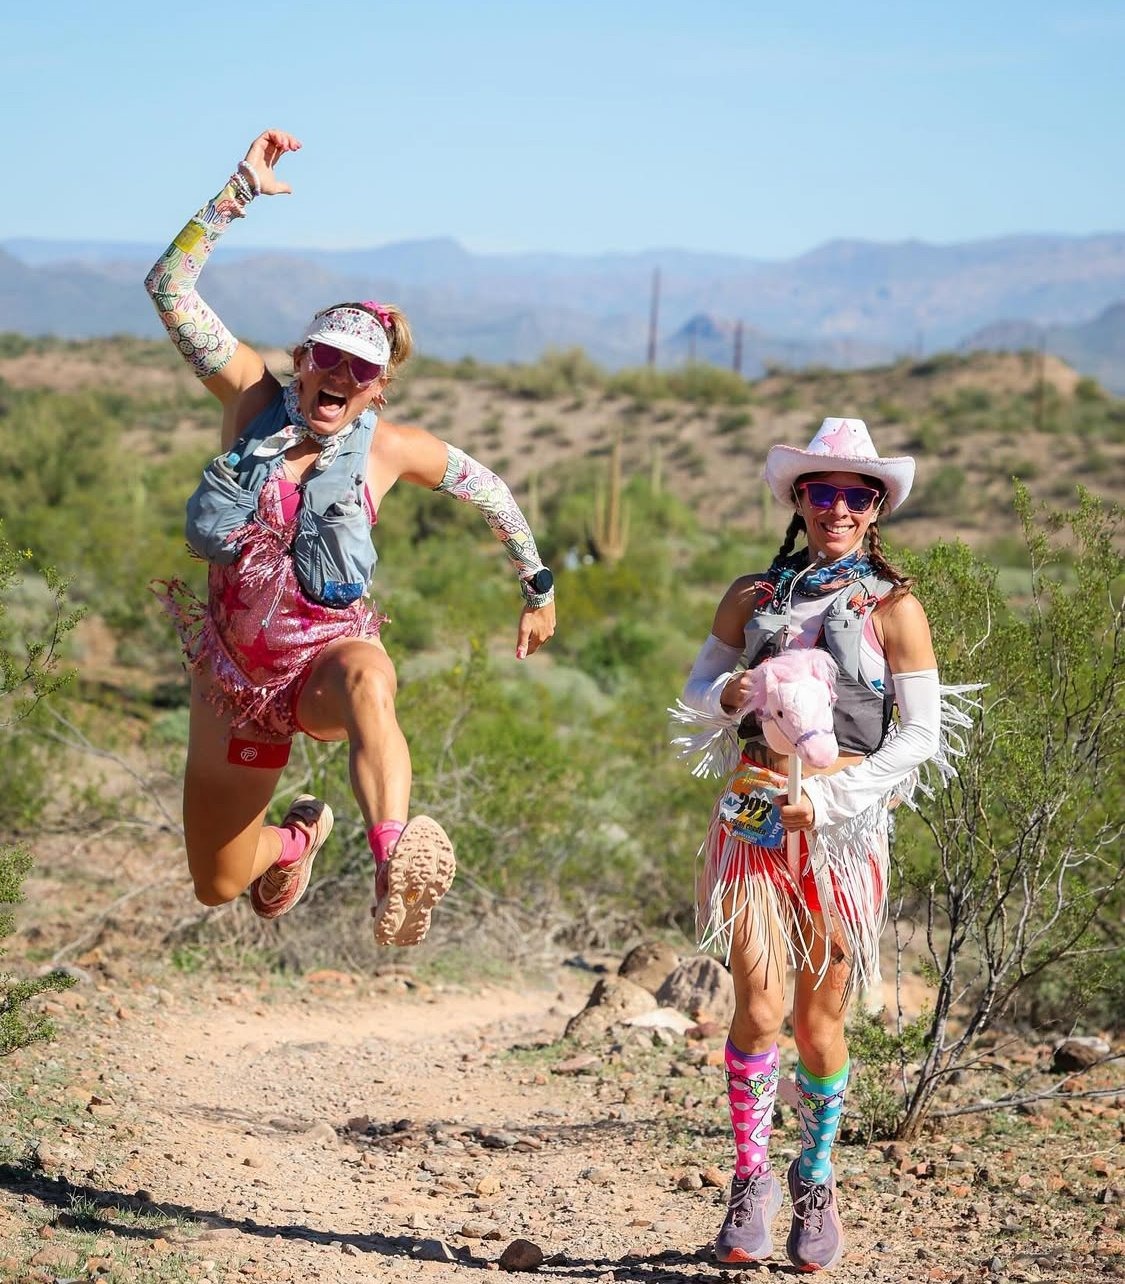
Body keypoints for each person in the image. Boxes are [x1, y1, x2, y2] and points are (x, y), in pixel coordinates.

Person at [144, 129, 556, 947]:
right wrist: (240, 191)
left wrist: (536, 586)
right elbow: (168, 287)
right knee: (217, 882)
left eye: (359, 368)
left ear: (378, 387)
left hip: (326, 662)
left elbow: (494, 492)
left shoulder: (393, 449)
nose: (338, 374)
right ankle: (298, 839)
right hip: (234, 679)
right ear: (301, 359)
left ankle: (393, 860)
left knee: (372, 676)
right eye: (324, 356)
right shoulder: (249, 398)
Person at [674, 417, 968, 1271]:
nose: (836, 507)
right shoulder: (752, 598)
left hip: (842, 837)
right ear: (796, 501)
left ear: (876, 508)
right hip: (753, 820)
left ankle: (815, 1177)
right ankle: (749, 1178)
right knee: (758, 1008)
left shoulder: (894, 607)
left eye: (855, 494)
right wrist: (732, 694)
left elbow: (920, 734)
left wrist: (836, 795)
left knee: (816, 1021)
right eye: (820, 491)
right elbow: (694, 695)